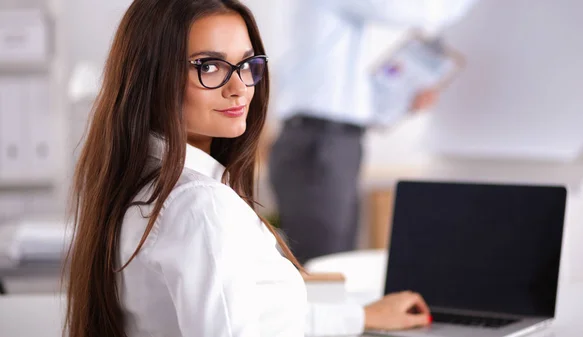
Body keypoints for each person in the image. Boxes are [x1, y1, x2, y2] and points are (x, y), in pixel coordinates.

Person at [63, 0, 432, 336]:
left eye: (246, 65)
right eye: (209, 66)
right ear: (151, 76)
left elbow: (260, 317)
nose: (239, 87)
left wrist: (360, 316)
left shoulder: (143, 180)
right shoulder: (200, 206)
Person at [269, 0, 478, 263]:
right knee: (324, 266)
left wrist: (403, 99)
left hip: (330, 140)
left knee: (335, 263)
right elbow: (424, 12)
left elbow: (338, 92)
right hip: (321, 143)